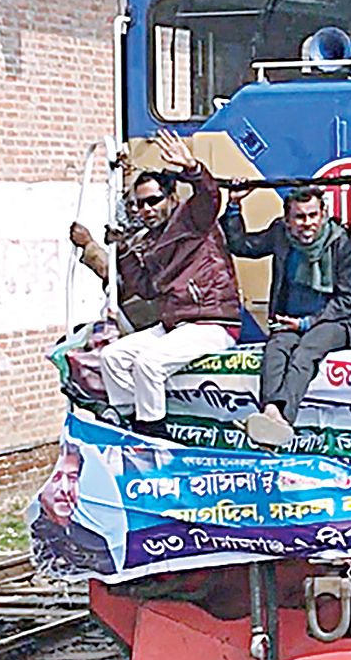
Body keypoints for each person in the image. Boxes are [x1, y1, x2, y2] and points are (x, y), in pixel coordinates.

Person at [70, 130, 240, 438]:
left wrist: (191, 166)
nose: (146, 209)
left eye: (153, 201)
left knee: (148, 364)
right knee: (112, 357)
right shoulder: (149, 241)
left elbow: (209, 195)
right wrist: (121, 250)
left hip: (211, 321)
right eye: (140, 204)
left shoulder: (191, 219)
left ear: (171, 198)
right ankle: (128, 421)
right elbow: (145, 288)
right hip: (175, 324)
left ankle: (153, 436)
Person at [220, 184, 351, 449]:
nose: (307, 223)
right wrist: (233, 206)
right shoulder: (280, 233)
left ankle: (280, 421)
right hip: (289, 319)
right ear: (287, 220)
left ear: (323, 215)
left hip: (336, 322)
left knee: (305, 351)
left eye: (312, 215)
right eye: (299, 217)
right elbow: (242, 245)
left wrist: (306, 323)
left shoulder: (340, 240)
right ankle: (271, 413)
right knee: (276, 349)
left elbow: (349, 300)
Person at [30, 441, 114, 577]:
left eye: (72, 478)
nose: (65, 489)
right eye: (55, 478)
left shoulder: (96, 540)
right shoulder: (36, 537)